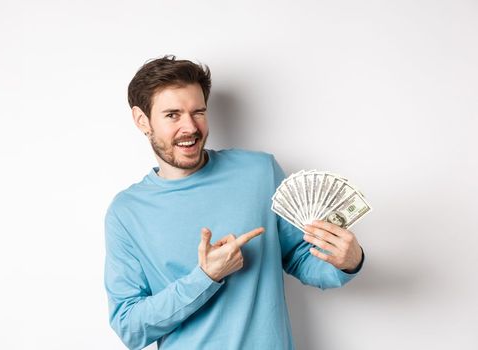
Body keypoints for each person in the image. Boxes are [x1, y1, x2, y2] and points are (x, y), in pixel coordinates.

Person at [104, 55, 365, 349]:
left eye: (198, 112)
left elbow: (301, 258)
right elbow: (130, 327)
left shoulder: (259, 172)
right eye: (173, 115)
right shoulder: (127, 212)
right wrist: (205, 277)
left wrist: (348, 262)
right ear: (143, 121)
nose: (190, 127)